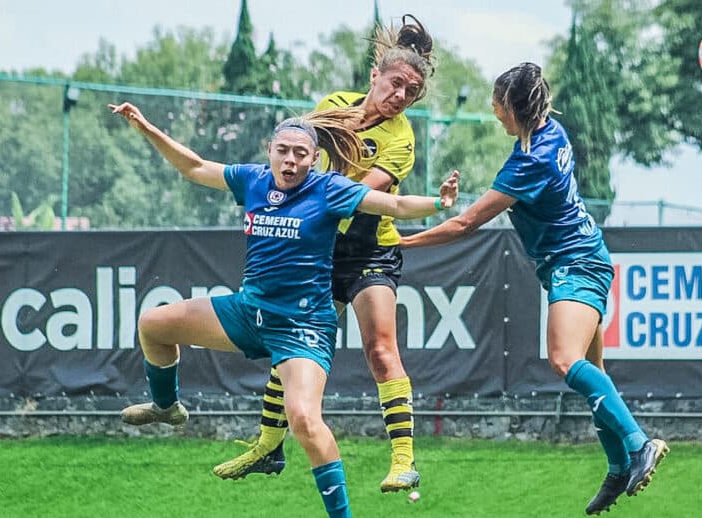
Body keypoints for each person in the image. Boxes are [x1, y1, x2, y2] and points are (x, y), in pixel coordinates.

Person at [108, 100, 458, 518]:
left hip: (303, 327)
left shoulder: (328, 188)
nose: (290, 160)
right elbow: (195, 167)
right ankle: (167, 407)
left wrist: (439, 203)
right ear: (269, 150)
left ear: (313, 159)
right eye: (283, 151)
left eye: (300, 153)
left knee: (305, 420)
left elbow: (395, 206)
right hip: (248, 311)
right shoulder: (253, 180)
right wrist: (147, 127)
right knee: (153, 325)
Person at [398, 62, 669, 515]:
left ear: (513, 107)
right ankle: (619, 465)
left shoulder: (531, 160)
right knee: (591, 373)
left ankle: (640, 444)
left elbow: (467, 223)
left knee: (564, 359)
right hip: (581, 257)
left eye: (497, 103)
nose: (493, 110)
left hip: (575, 264)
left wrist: (404, 242)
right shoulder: (549, 132)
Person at [213, 14, 436, 494]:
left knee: (380, 348)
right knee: (289, 347)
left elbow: (358, 194)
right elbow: (300, 157)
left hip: (371, 249)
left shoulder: (402, 139)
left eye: (411, 93)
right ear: (375, 76)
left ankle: (404, 460)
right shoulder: (333, 105)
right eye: (396, 84)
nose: (401, 96)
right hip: (322, 247)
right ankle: (268, 447)